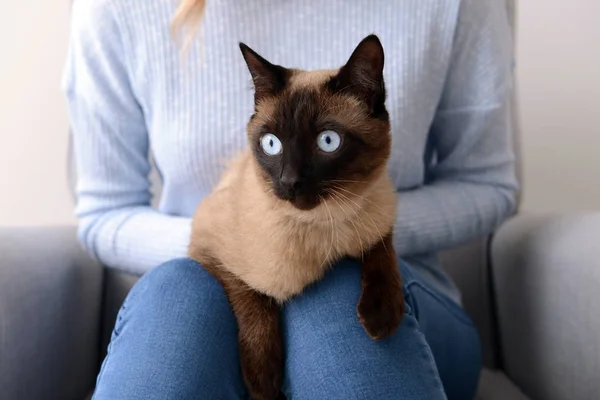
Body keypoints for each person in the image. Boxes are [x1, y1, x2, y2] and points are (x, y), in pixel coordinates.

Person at [62, 0, 517, 399]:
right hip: (214, 283)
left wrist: (346, 231)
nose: (294, 178)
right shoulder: (116, 8)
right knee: (177, 295)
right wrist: (245, 243)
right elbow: (104, 213)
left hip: (401, 300)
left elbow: (490, 186)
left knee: (335, 292)